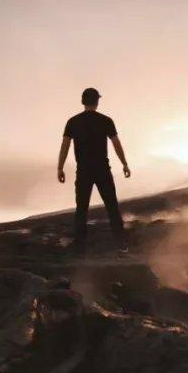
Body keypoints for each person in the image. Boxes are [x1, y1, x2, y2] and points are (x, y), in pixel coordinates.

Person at [57, 87, 131, 252]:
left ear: (83, 102)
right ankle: (121, 246)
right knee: (112, 207)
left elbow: (65, 146)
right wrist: (124, 163)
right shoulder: (106, 120)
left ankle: (80, 250)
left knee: (81, 209)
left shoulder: (73, 122)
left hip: (83, 171)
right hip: (103, 169)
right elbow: (116, 143)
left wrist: (60, 168)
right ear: (97, 101)